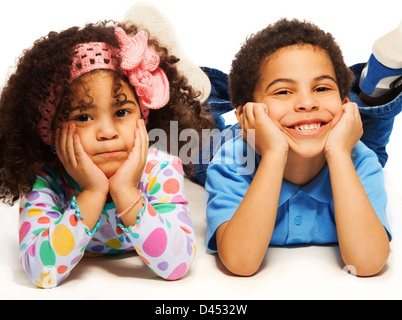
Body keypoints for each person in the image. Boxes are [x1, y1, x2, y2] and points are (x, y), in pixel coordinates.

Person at [0, 20, 213, 288]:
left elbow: (178, 263)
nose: (108, 132)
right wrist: (92, 192)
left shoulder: (161, 168)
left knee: (215, 119)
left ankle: (203, 80)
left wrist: (125, 190)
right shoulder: (45, 179)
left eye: (122, 112)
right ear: (51, 131)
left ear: (143, 116)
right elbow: (41, 272)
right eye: (84, 116)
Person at [205, 18, 400, 277]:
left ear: (344, 105)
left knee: (373, 146)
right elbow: (240, 262)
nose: (307, 102)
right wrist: (274, 153)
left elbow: (368, 263)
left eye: (321, 88)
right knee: (196, 146)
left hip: (322, 133)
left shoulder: (359, 159)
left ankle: (376, 82)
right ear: (245, 115)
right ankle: (198, 91)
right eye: (283, 92)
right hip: (252, 139)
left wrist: (340, 153)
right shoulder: (232, 161)